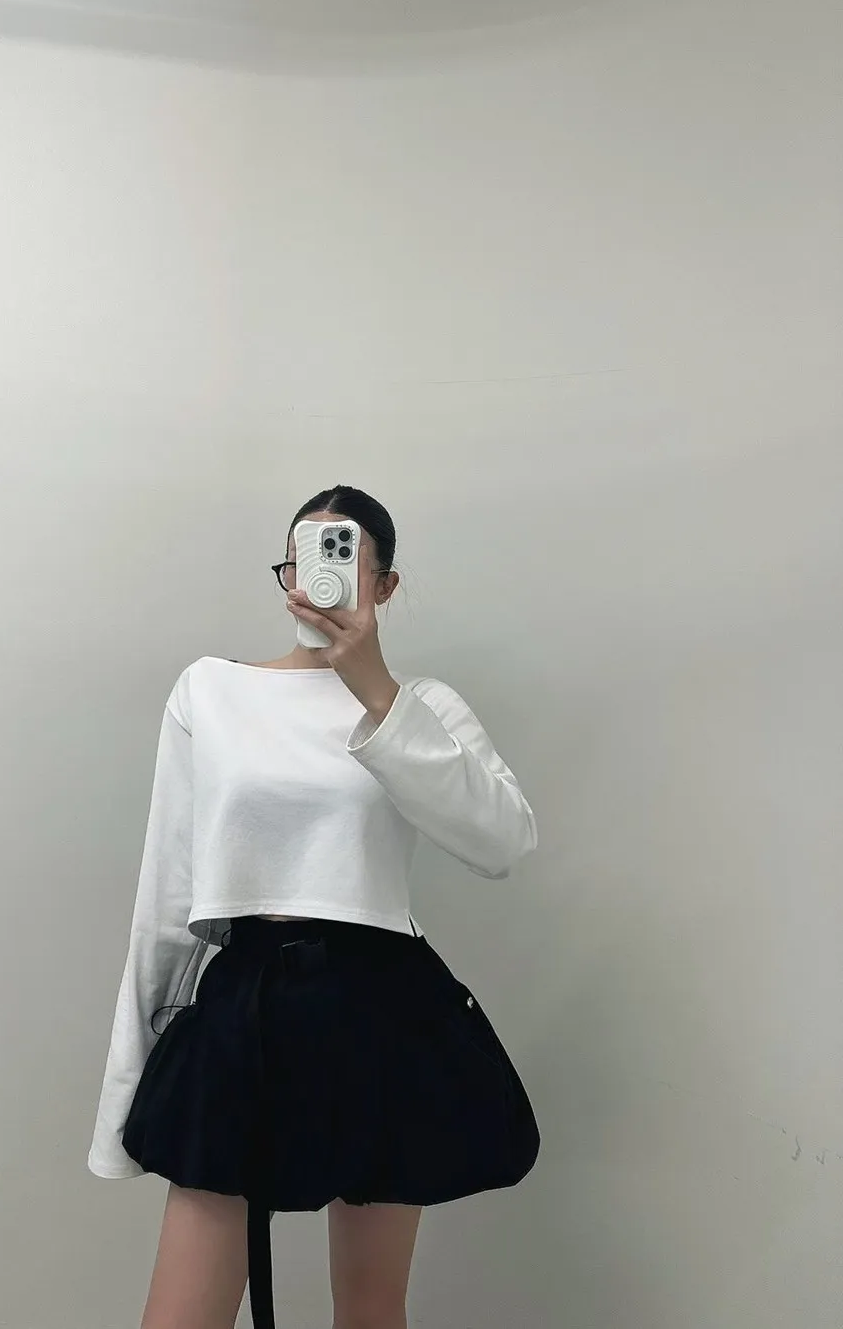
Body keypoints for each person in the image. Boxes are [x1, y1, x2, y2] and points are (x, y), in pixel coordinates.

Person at [88, 485, 541, 1329]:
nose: (315, 577)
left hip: (383, 1004)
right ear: (288, 569)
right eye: (302, 555)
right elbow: (168, 894)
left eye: (344, 555)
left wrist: (378, 693)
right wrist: (127, 1094)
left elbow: (503, 842)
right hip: (245, 1005)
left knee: (370, 1311)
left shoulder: (423, 705)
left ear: (384, 584)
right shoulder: (212, 691)